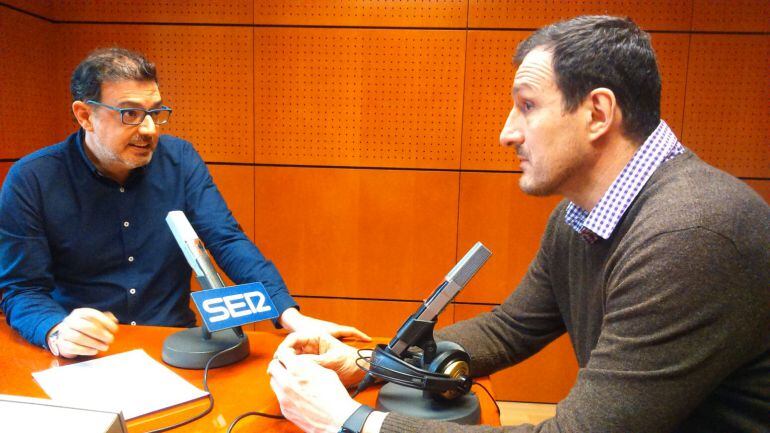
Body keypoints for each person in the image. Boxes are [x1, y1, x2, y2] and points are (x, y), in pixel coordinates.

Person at [267, 15, 770, 433]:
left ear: (596, 112)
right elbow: (510, 330)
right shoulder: (580, 215)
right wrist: (370, 363)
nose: (508, 133)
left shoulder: (689, 237)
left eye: (527, 106)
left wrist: (348, 419)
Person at [0, 47, 369, 359]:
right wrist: (55, 331)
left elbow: (226, 240)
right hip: (84, 351)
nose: (148, 129)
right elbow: (22, 289)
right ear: (85, 115)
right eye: (130, 114)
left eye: (155, 113)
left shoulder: (180, 159)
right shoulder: (33, 179)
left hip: (172, 346)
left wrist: (292, 317)